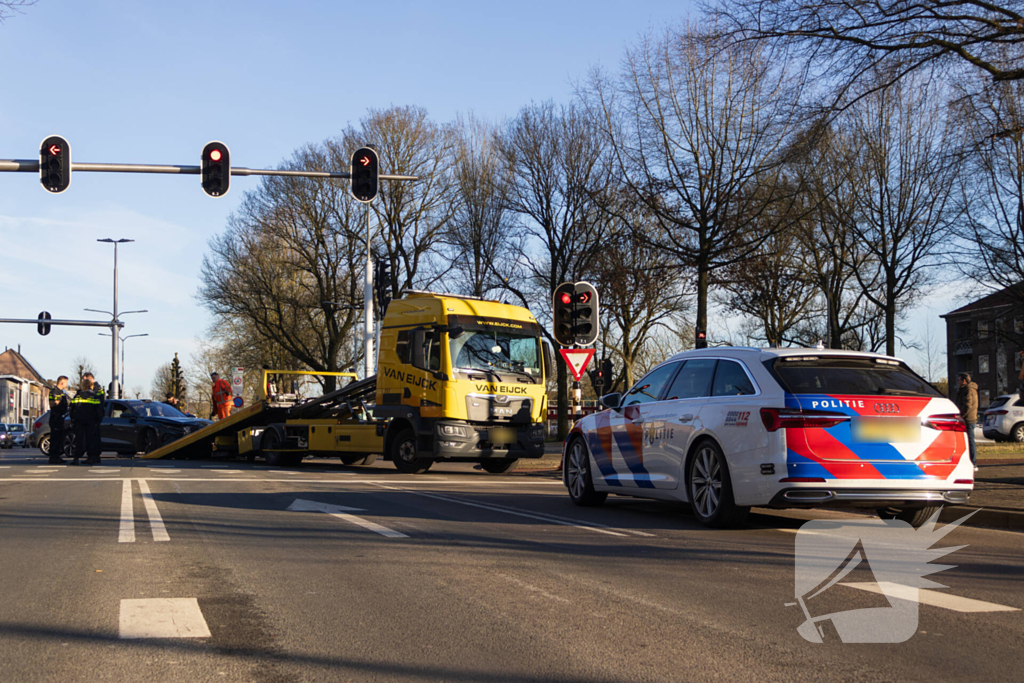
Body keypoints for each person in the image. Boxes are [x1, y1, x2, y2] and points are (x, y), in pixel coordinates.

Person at [69, 372, 105, 466]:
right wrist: (98, 420)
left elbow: (71, 407)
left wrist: (73, 418)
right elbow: (98, 410)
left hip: (79, 421)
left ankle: (76, 458)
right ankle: (90, 457)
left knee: (79, 439)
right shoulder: (94, 397)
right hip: (91, 421)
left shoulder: (77, 396)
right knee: (90, 439)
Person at [955, 372, 979, 472]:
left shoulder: (968, 390)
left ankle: (973, 463)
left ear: (964, 381)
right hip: (968, 418)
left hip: (968, 419)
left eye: (959, 380)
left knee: (970, 441)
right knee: (967, 441)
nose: (958, 382)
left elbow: (967, 405)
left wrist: (961, 416)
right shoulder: (966, 389)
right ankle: (969, 461)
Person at [47, 375, 69, 464]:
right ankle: (53, 457)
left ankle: (57, 456)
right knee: (55, 439)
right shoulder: (54, 392)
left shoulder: (62, 393)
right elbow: (53, 404)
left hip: (60, 418)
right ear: (62, 382)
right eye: (66, 383)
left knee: (59, 439)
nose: (66, 385)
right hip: (55, 418)